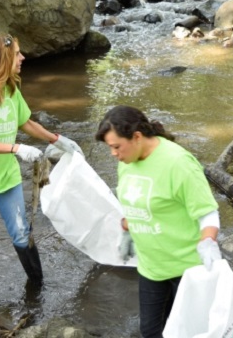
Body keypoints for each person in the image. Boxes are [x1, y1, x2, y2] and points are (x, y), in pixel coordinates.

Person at [0, 33, 83, 289]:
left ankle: (37, 290)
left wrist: (57, 140)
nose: (23, 58)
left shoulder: (11, 88)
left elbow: (25, 122)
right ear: (3, 59)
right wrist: (17, 147)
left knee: (22, 233)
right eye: (17, 54)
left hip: (4, 176)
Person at [95, 106, 221, 338]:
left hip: (186, 269)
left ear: (137, 137)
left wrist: (208, 243)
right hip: (151, 267)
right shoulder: (127, 159)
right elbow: (139, 203)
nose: (113, 154)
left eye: (115, 146)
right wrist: (128, 228)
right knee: (151, 331)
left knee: (185, 331)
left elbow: (207, 213)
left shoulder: (178, 163)